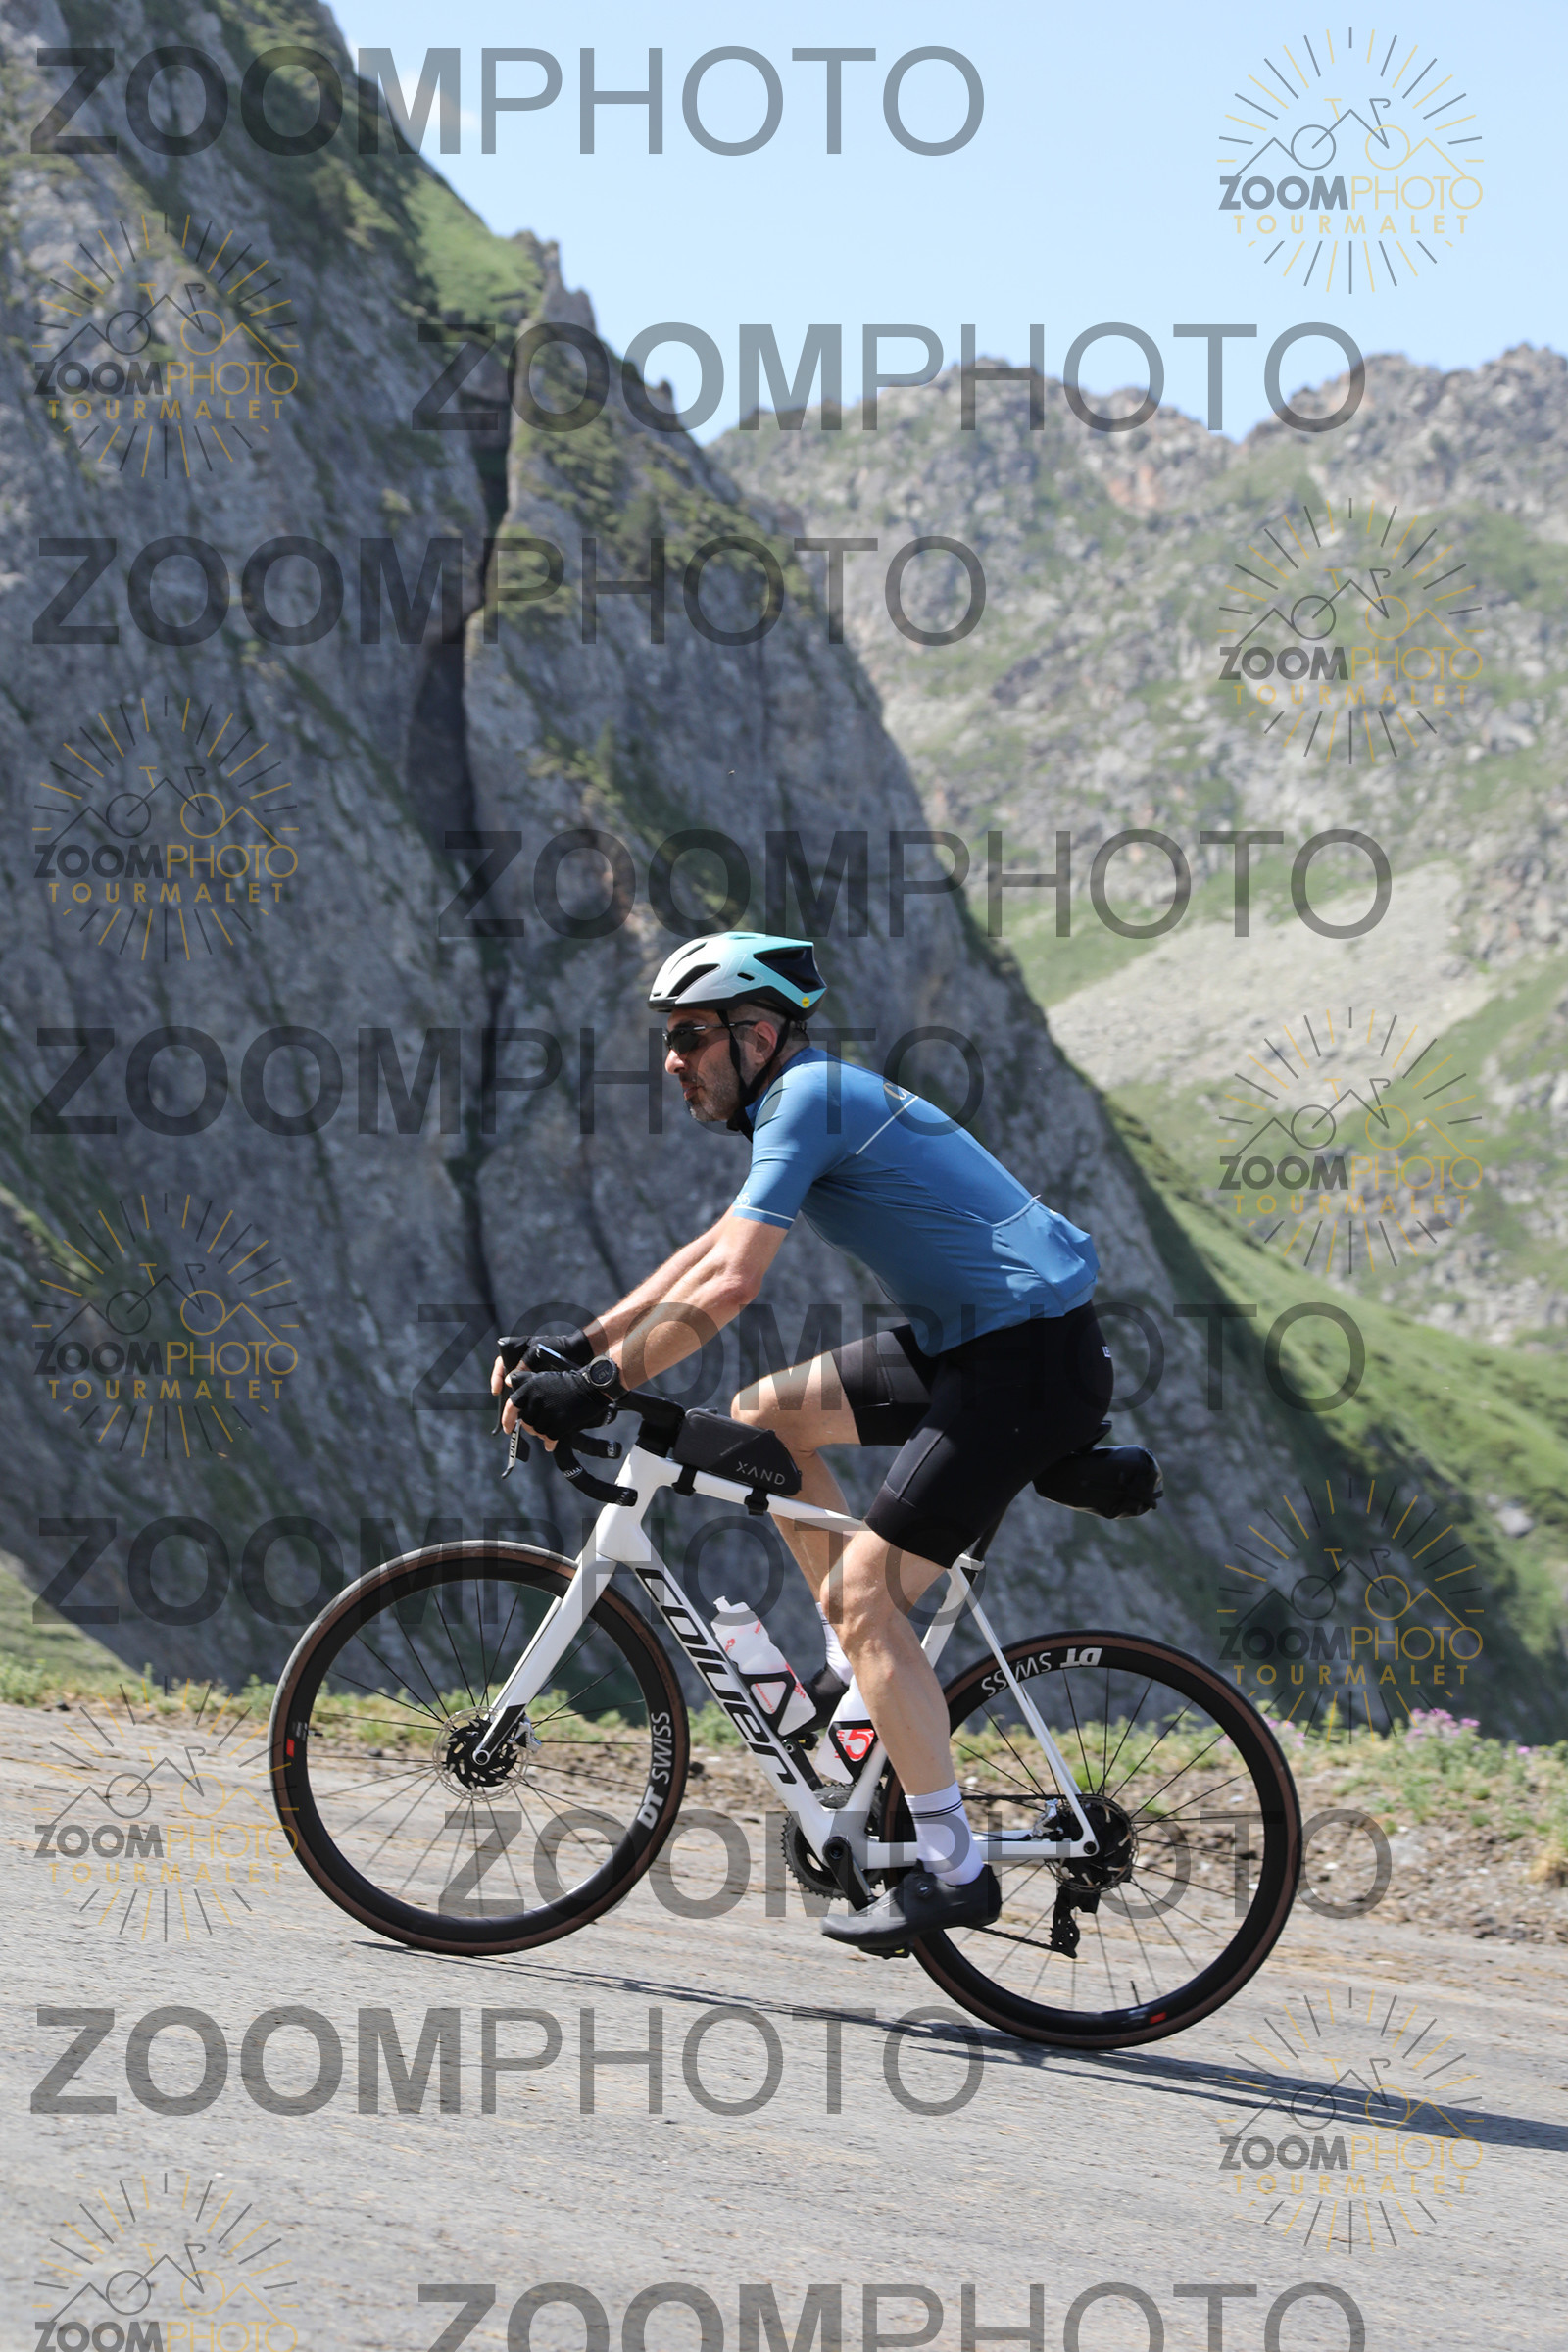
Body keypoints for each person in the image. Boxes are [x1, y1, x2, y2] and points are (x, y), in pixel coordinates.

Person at [493, 931, 1115, 1953]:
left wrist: (597, 1388)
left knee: (870, 1596)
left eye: (690, 1037)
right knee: (763, 1415)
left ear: (758, 1034)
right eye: (670, 1039)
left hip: (1024, 1363)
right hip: (976, 1346)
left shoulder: (809, 1100)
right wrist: (584, 1345)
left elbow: (732, 1286)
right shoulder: (802, 1101)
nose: (672, 1060)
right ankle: (854, 1675)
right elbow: (710, 1249)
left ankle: (954, 1868)